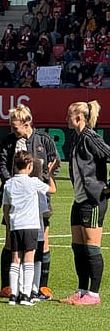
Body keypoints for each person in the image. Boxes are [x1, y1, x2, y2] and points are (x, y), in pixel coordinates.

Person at [0, 104, 59, 301]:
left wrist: (43, 179)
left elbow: (54, 163)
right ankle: (7, 286)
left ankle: (41, 287)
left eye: (15, 127)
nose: (12, 130)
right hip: (15, 199)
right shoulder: (8, 141)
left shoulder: (43, 140)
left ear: (27, 123)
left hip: (39, 199)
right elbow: (1, 164)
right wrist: (11, 183)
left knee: (42, 242)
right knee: (10, 242)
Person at [62, 100, 110, 305]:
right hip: (78, 199)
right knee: (78, 247)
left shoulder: (90, 137)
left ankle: (94, 294)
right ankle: (82, 290)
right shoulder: (77, 137)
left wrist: (107, 187)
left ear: (79, 117)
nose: (66, 119)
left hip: (92, 200)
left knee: (92, 248)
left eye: (69, 115)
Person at [3, 151, 49, 306]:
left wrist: (9, 226)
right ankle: (25, 295)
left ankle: (13, 295)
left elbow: (6, 207)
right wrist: (50, 174)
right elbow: (52, 189)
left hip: (15, 225)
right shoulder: (33, 182)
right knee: (29, 259)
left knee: (15, 259)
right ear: (30, 166)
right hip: (30, 225)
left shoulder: (8, 183)